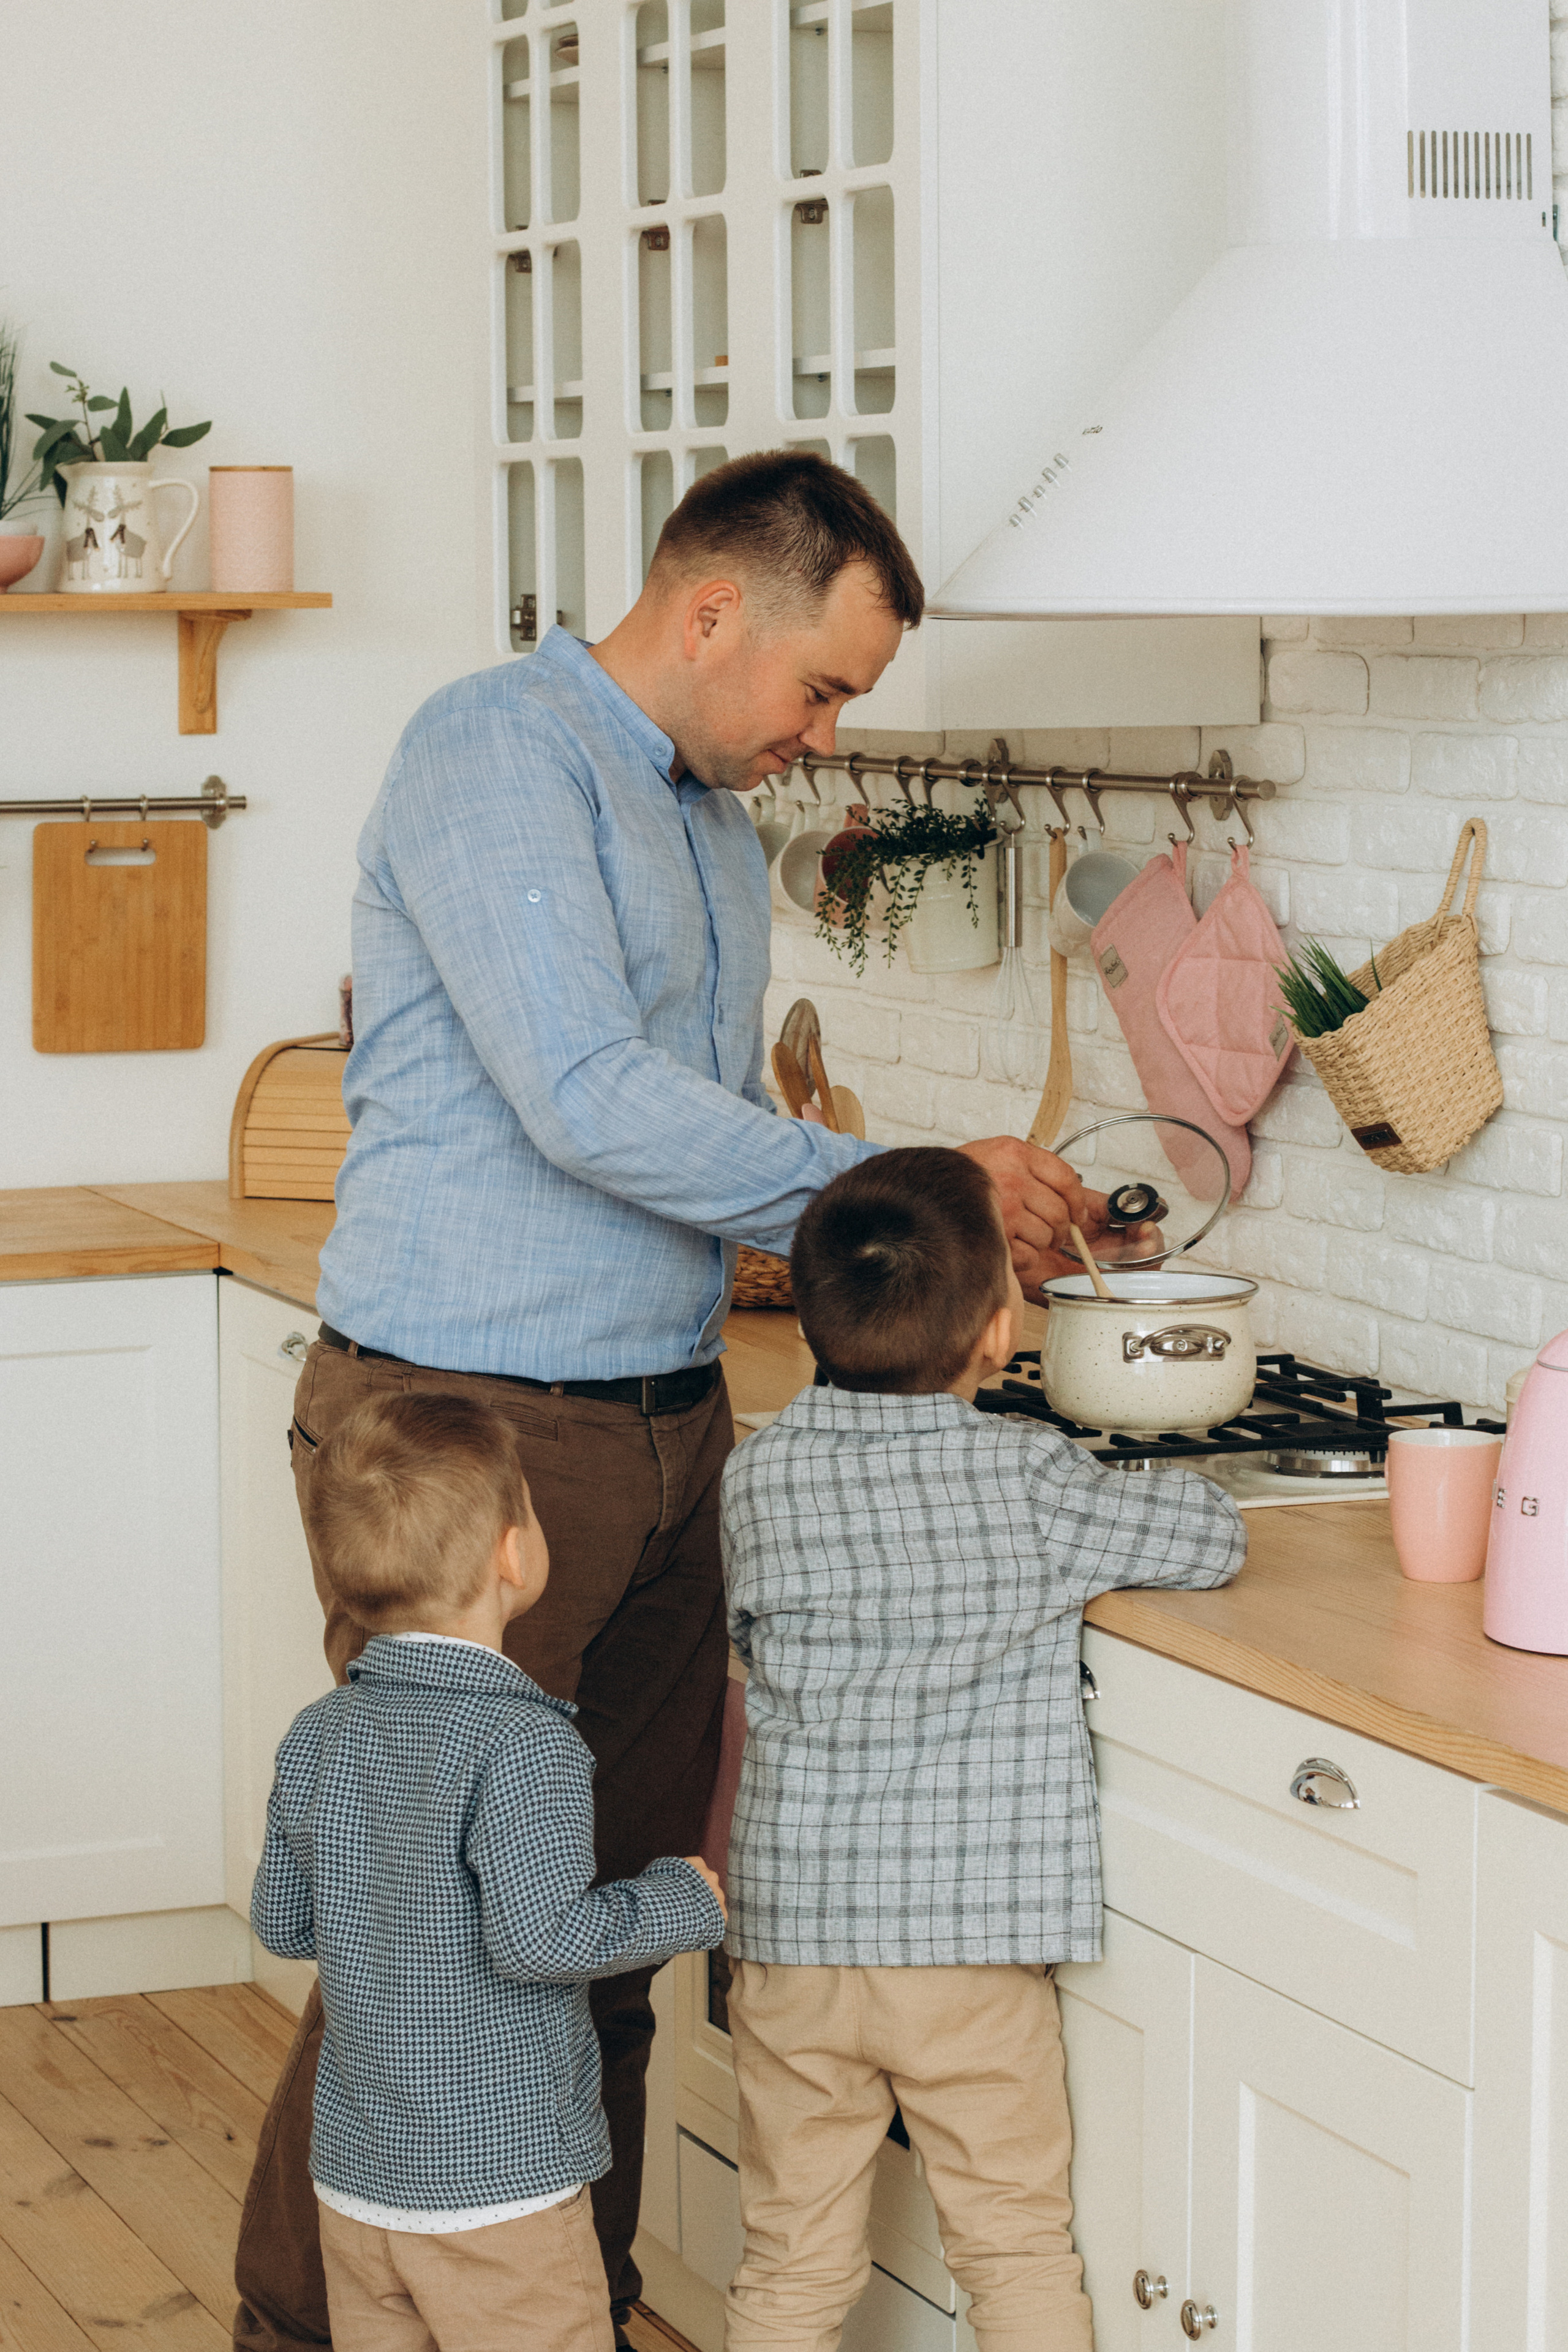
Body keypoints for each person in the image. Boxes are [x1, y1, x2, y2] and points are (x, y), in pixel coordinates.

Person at [233, 450, 1133, 2352]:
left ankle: (568, 2309)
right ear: (713, 611)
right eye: (821, 687)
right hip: (468, 1426)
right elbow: (583, 1097)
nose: (821, 736)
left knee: (612, 1934)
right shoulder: (496, 753)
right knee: (427, 1957)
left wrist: (913, 1225)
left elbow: (706, 1135)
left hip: (659, 1424)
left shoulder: (715, 819)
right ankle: (300, 2335)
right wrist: (914, 1188)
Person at [718, 1148, 1248, 2352]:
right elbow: (1206, 1539)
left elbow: (744, 1636)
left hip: (794, 1941)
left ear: (804, 1311)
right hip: (961, 1945)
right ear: (1001, 1327)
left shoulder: (754, 1477)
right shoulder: (1030, 1481)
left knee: (791, 2253)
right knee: (1008, 2241)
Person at [251, 1389, 728, 2352]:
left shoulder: (319, 1732)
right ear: (515, 1554)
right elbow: (540, 1940)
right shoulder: (526, 1743)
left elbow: (284, 1923)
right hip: (498, 2189)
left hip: (359, 2182)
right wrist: (682, 1898)